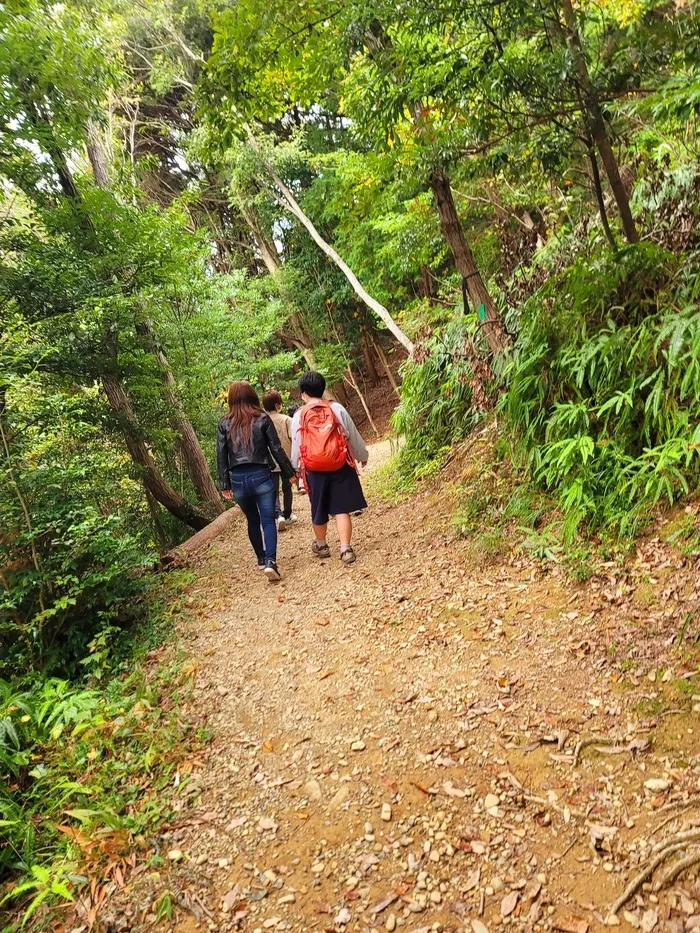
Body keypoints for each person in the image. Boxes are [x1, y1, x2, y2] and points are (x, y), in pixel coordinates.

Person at [217, 382, 297, 582]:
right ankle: (271, 562)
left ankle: (261, 558)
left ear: (231, 399)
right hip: (261, 474)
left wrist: (224, 484)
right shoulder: (262, 418)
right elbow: (276, 448)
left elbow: (221, 455)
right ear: (252, 396)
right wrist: (290, 472)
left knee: (252, 520)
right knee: (267, 520)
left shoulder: (224, 423)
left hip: (238, 479)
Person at [291, 371, 368, 565]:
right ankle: (345, 548)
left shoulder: (299, 415)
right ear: (322, 388)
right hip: (339, 462)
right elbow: (351, 435)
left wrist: (296, 469)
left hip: (314, 468)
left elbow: (297, 444)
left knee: (318, 506)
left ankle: (322, 545)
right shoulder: (336, 409)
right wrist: (362, 455)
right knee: (341, 507)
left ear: (303, 393)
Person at [262, 389, 297, 531]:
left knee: (273, 490)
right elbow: (294, 440)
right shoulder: (287, 420)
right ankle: (287, 514)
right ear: (278, 405)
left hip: (270, 462)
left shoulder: (262, 422)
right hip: (286, 461)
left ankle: (278, 515)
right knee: (287, 488)